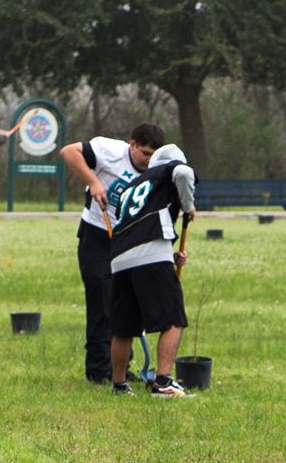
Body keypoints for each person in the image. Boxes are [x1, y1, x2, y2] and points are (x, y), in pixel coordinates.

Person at [60, 122, 164, 385]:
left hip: (128, 238)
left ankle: (120, 369)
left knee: (125, 304)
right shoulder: (109, 150)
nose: (148, 159)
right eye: (145, 153)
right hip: (96, 234)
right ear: (132, 145)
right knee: (101, 300)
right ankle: (98, 370)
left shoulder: (158, 168)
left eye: (153, 154)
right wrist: (94, 182)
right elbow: (68, 152)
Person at [104, 146, 198, 396]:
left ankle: (119, 385)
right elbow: (185, 174)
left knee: (123, 327)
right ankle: (163, 382)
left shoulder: (132, 185)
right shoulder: (169, 170)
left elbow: (132, 221)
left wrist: (168, 254)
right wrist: (188, 206)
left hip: (120, 257)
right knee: (173, 318)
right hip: (150, 252)